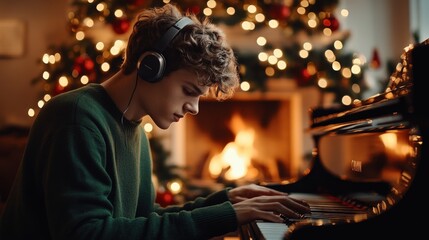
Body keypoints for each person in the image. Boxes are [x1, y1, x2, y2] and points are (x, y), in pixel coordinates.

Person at [0, 3, 310, 240]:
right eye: (189, 91)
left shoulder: (133, 129)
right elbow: (88, 233)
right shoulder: (76, 118)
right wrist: (228, 216)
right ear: (150, 66)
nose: (194, 109)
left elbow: (141, 220)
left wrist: (226, 201)